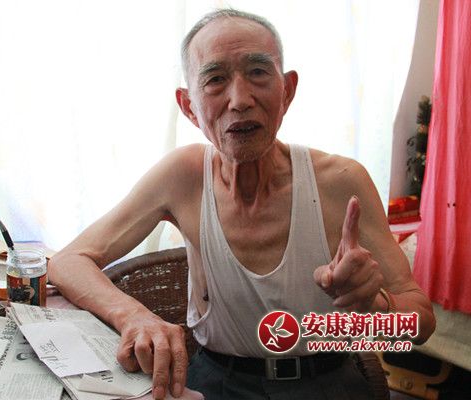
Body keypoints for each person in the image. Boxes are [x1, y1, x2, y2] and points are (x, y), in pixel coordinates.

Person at [48, 9, 436, 400]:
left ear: (287, 91)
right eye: (215, 79)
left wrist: (375, 303)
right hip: (217, 382)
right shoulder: (183, 176)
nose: (240, 100)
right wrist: (133, 315)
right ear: (189, 106)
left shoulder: (340, 182)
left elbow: (420, 323)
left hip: (329, 380)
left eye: (258, 72)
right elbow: (68, 261)